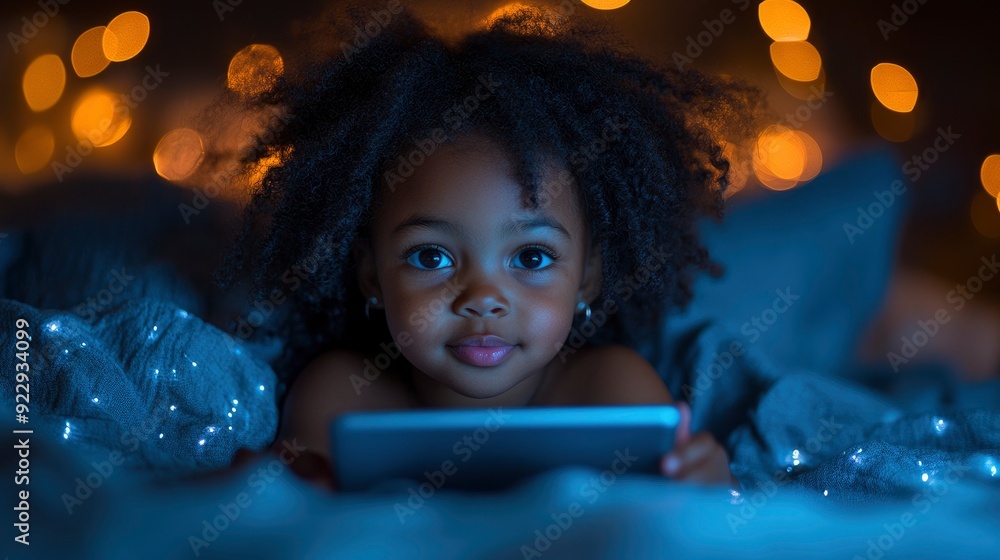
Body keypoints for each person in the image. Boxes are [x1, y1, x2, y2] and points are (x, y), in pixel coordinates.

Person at [214, 2, 763, 490]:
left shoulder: (611, 391)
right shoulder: (341, 396)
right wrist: (273, 486)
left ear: (588, 278)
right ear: (372, 274)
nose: (481, 297)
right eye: (432, 256)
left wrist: (711, 486)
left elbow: (676, 521)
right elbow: (289, 514)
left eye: (531, 257)